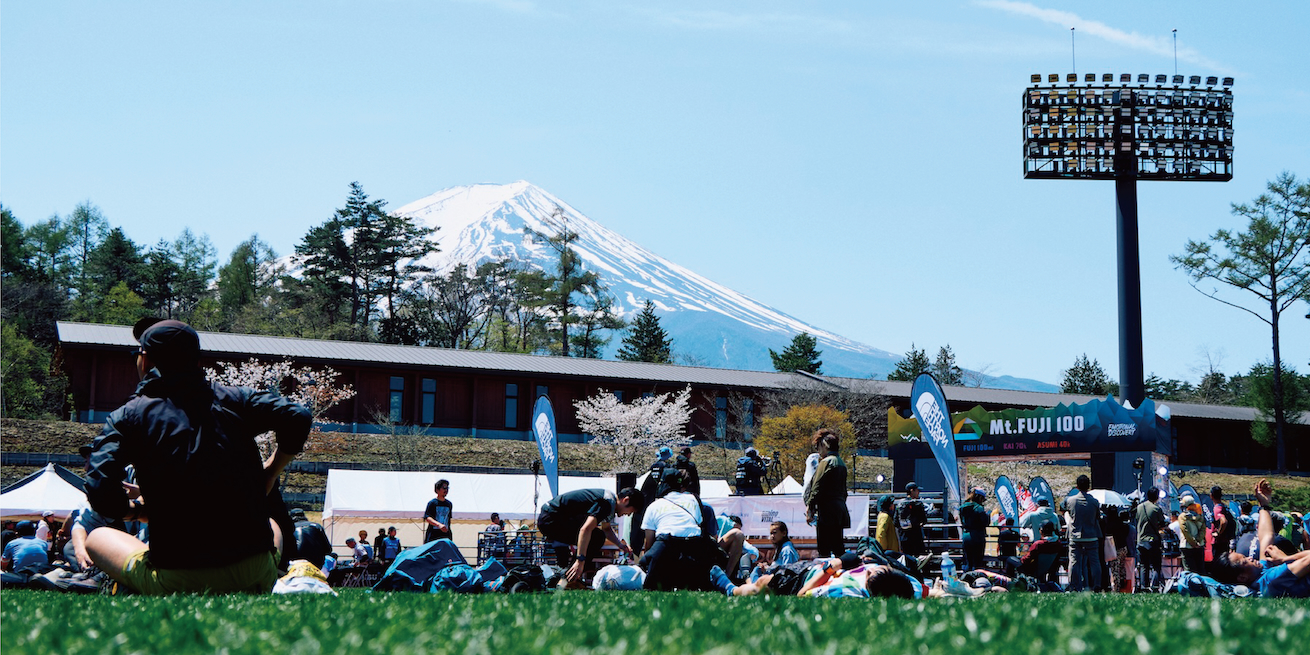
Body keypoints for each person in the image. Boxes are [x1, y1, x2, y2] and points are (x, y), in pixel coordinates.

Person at [83, 318, 311, 596]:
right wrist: (271, 471)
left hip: (179, 577)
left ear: (145, 360)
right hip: (252, 572)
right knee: (272, 524)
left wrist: (135, 511)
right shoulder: (235, 399)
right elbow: (297, 415)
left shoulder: (128, 416)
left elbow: (100, 488)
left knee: (97, 537)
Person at [1209, 479, 1310, 598]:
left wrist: (1264, 505)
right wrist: (1285, 558)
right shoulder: (1271, 579)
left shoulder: (1260, 574)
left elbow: (1266, 537)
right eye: (1245, 561)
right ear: (1242, 578)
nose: (1250, 557)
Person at [536, 487, 642, 583]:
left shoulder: (610, 501)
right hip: (551, 519)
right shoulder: (606, 503)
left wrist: (621, 546)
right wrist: (580, 560)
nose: (628, 514)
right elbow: (585, 529)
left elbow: (606, 529)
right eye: (631, 511)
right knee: (596, 537)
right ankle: (570, 578)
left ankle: (567, 577)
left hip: (551, 517)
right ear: (626, 500)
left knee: (598, 535)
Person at [639, 469, 716, 591]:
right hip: (694, 550)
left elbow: (649, 542)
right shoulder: (693, 499)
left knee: (654, 580)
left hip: (666, 548)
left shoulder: (654, 505)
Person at [804, 429, 850, 558]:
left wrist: (810, 507)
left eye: (818, 446)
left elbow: (817, 487)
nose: (818, 451)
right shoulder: (841, 462)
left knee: (824, 549)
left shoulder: (826, 462)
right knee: (838, 547)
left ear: (825, 445)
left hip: (827, 510)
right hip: (839, 509)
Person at [1063, 474, 1102, 592]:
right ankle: (1096, 585)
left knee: (1074, 561)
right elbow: (1097, 517)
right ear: (1088, 486)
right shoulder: (1094, 502)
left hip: (1075, 535)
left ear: (1077, 486)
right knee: (1095, 562)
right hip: (1091, 535)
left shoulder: (1070, 500)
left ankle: (1074, 586)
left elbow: (1069, 513)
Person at [1134, 487, 1167, 590]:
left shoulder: (1139, 507)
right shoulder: (1156, 509)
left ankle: (1144, 586)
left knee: (1144, 565)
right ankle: (1155, 586)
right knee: (1156, 565)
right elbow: (1162, 525)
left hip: (1141, 540)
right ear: (1157, 497)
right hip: (1153, 540)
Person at [958, 488, 990, 572]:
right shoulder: (979, 508)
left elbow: (962, 521)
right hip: (977, 536)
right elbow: (985, 522)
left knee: (968, 561)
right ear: (979, 497)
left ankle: (967, 578)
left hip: (966, 535)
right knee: (977, 563)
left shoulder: (963, 507)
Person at [895, 482, 928, 556]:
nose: (918, 492)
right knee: (918, 557)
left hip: (904, 536)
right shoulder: (918, 504)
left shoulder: (900, 504)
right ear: (912, 490)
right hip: (916, 536)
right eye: (917, 490)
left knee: (906, 557)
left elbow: (895, 521)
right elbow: (924, 520)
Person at [1210, 485, 1236, 569]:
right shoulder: (1224, 506)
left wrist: (1218, 533)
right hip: (1225, 540)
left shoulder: (1217, 508)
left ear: (1211, 495)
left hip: (1219, 542)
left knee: (1218, 563)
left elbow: (1223, 521)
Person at [1179, 494, 1206, 572]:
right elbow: (1203, 530)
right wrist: (1197, 541)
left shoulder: (1182, 517)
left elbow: (1185, 531)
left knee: (1189, 571)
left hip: (1187, 546)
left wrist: (1193, 543)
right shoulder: (1200, 516)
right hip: (1199, 545)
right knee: (1200, 570)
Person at [424, 479, 453, 543]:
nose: (446, 490)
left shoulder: (449, 504)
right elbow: (428, 517)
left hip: (445, 535)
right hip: (433, 535)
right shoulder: (432, 503)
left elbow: (448, 519)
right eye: (444, 488)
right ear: (437, 490)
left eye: (447, 488)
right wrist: (439, 525)